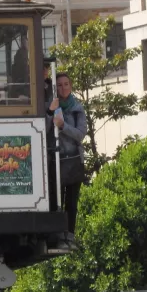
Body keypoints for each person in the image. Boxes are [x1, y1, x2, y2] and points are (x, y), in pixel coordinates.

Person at [48, 73, 86, 241]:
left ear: (71, 86)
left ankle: (70, 234)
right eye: (60, 85)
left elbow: (80, 134)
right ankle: (56, 232)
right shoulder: (51, 106)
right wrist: (50, 112)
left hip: (73, 160)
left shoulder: (78, 108)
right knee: (56, 200)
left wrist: (63, 126)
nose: (63, 88)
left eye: (66, 84)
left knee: (71, 202)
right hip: (56, 159)